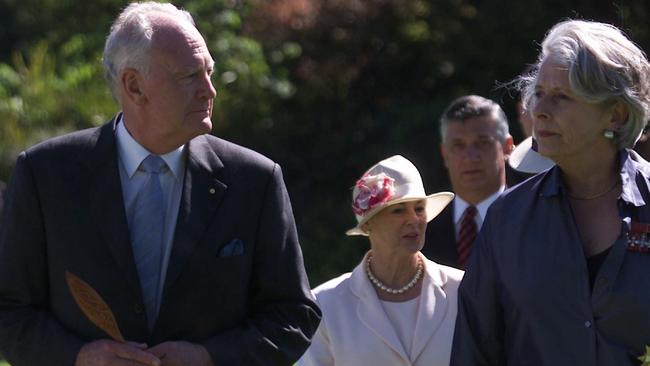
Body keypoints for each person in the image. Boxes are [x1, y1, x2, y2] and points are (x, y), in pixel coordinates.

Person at [0, 2, 320, 365]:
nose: (209, 90)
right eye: (189, 76)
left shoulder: (254, 180)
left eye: (209, 72)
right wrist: (79, 357)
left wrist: (209, 358)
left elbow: (295, 316)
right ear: (134, 86)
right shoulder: (45, 175)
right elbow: (9, 311)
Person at [451, 19, 650, 366]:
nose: (539, 111)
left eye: (561, 97)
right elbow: (474, 350)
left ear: (615, 115)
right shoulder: (507, 218)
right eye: (539, 93)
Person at [298, 155, 463, 366]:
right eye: (398, 210)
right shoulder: (327, 305)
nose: (413, 219)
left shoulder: (461, 289)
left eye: (419, 208)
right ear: (368, 225)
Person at [422, 95, 518, 269]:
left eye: (482, 143)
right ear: (444, 153)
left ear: (507, 146)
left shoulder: (533, 218)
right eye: (458, 145)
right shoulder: (421, 230)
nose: (470, 157)